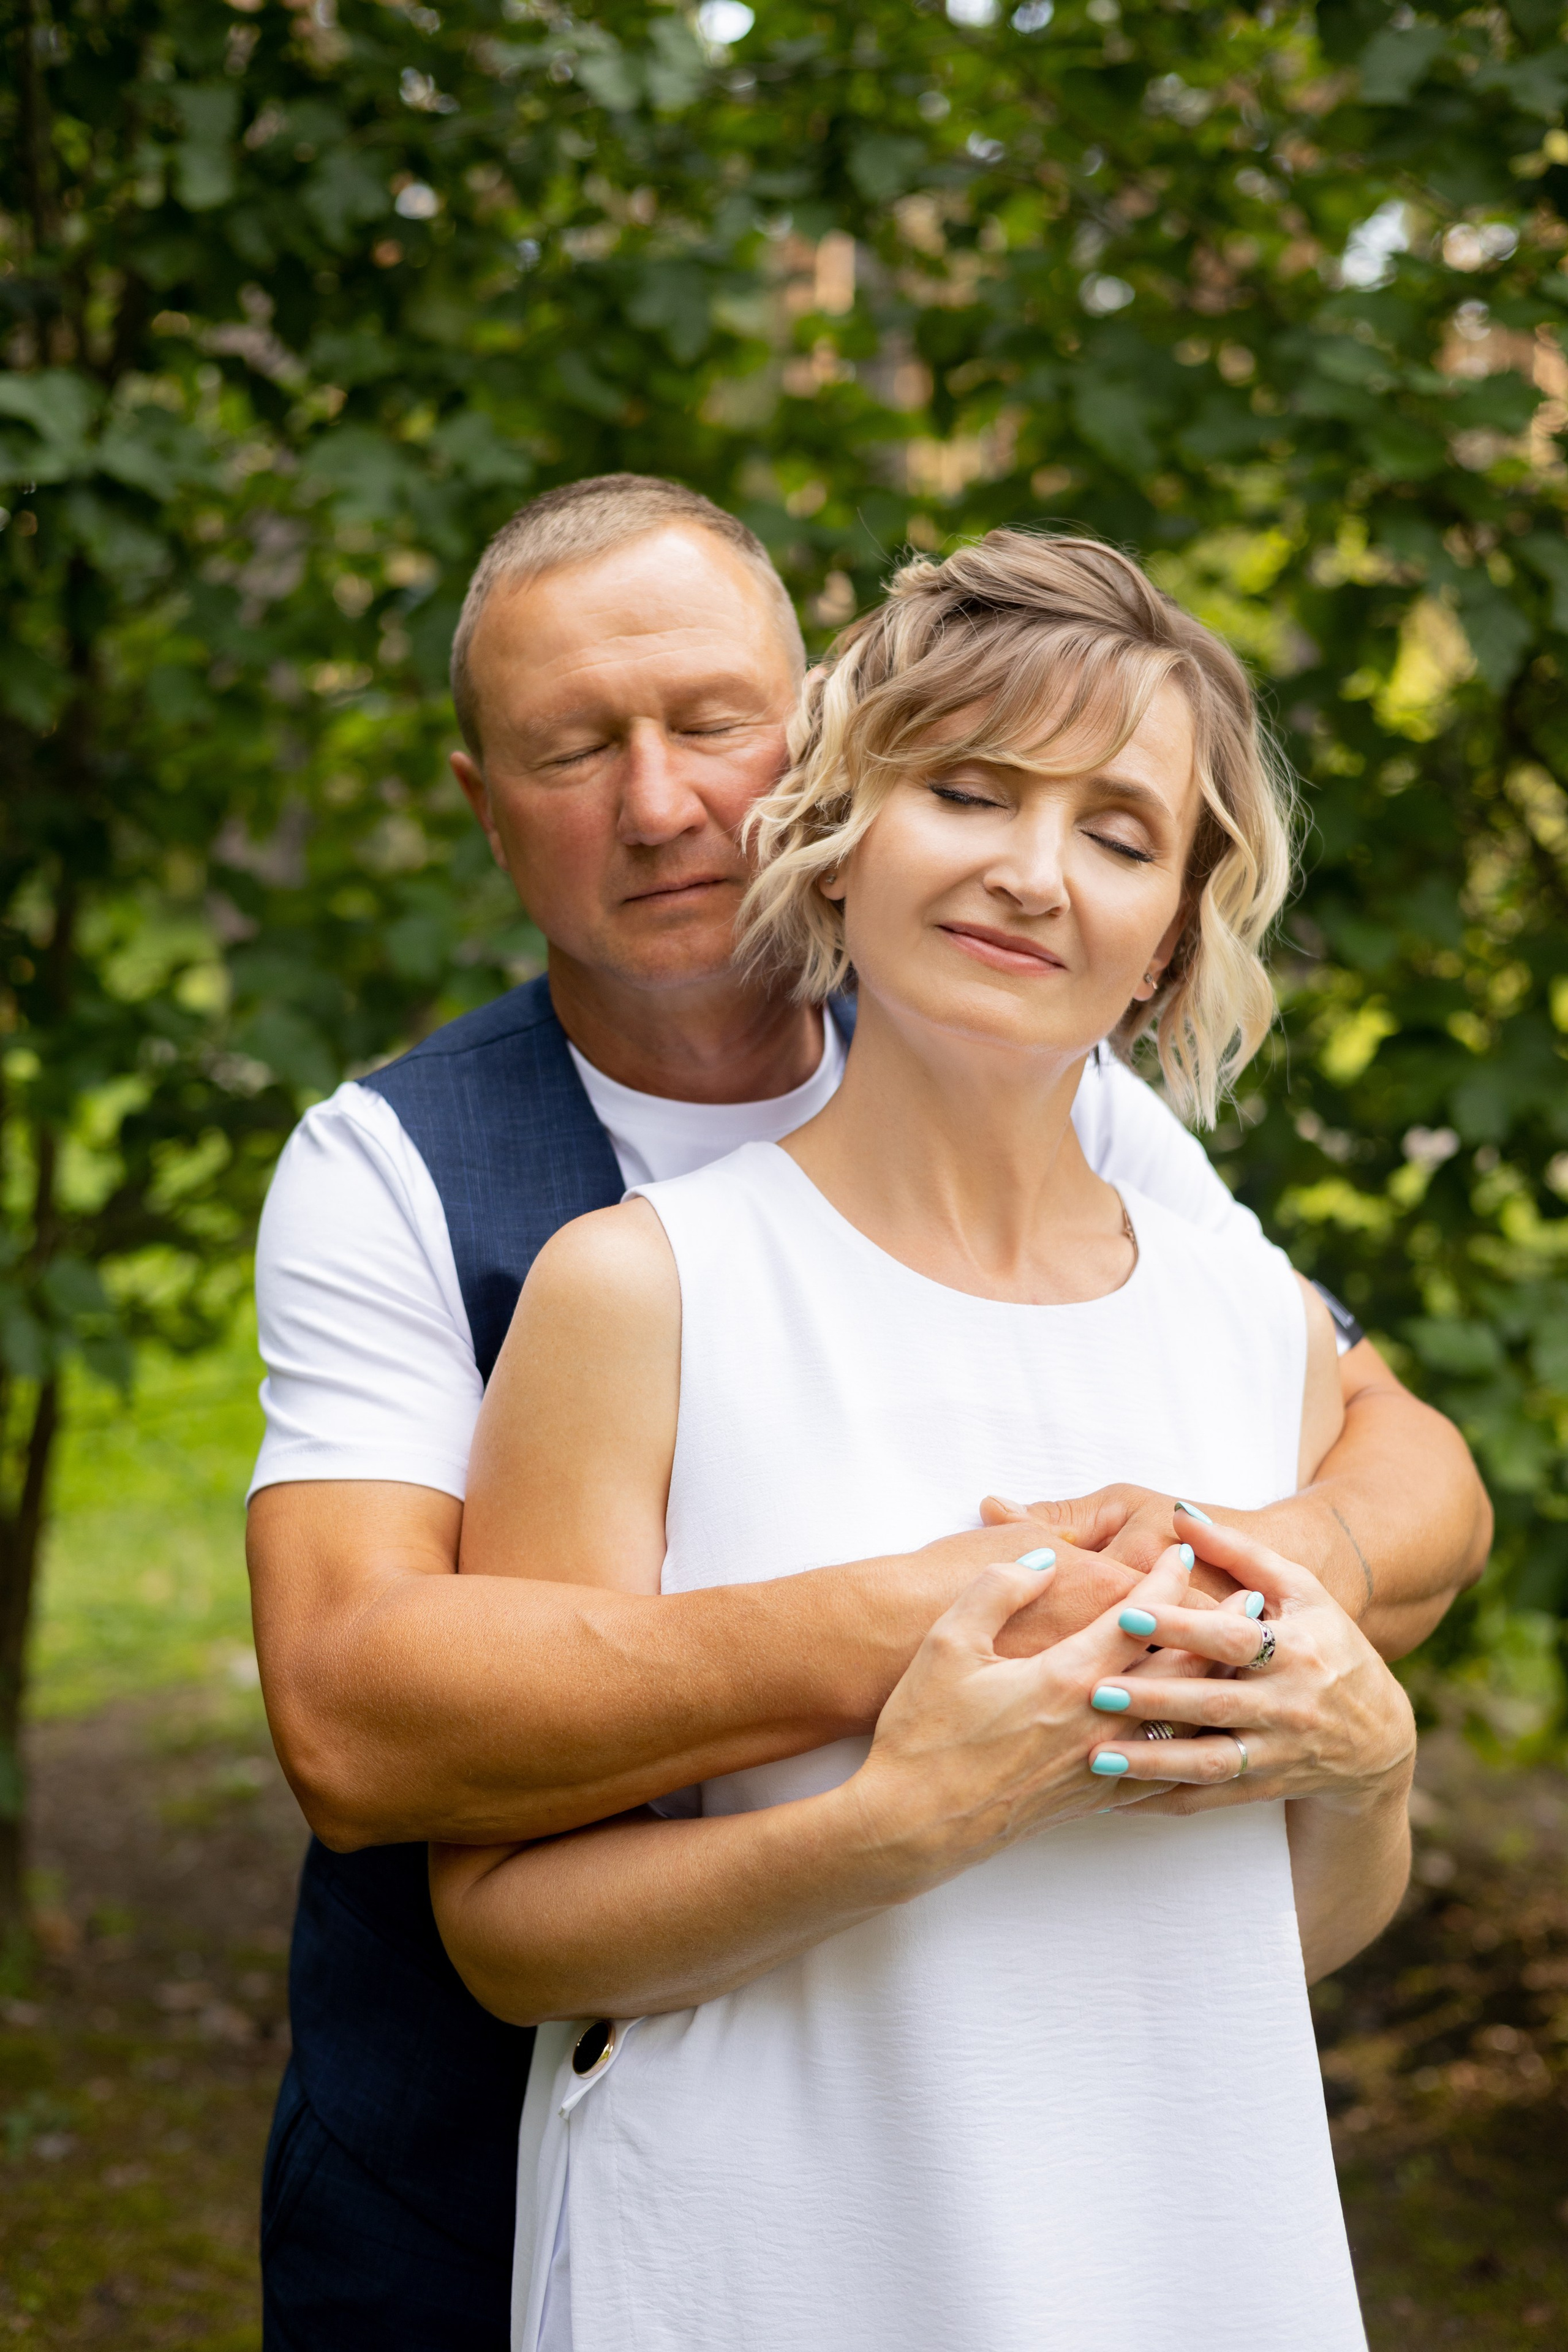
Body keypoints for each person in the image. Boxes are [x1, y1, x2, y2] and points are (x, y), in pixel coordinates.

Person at [246, 477, 1488, 2348]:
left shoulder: (1130, 1169)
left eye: (707, 724)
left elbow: (1396, 1495)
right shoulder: (467, 1207)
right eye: (574, 749)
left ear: (809, 729)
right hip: (591, 2174)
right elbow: (357, 1720)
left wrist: (1275, 1612)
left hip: (1162, 2232)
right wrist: (955, 1644)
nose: (660, 804)